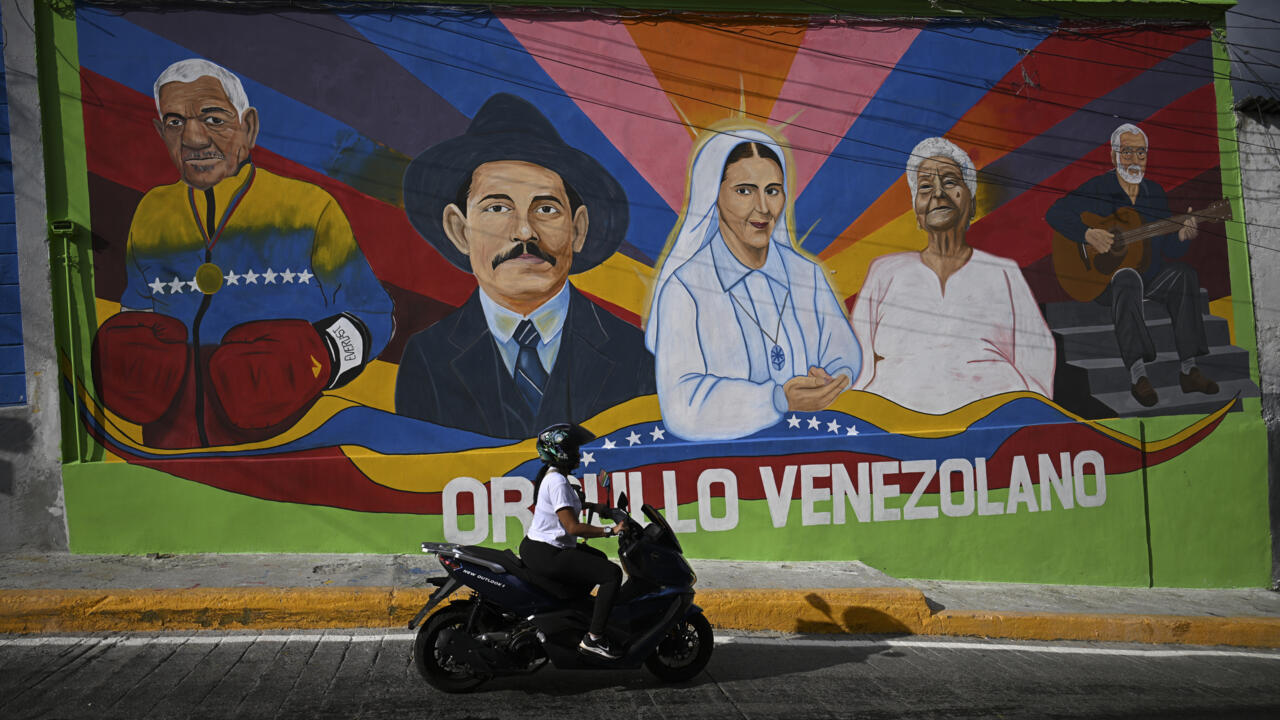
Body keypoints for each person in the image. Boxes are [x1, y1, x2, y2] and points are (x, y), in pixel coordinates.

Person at [91, 58, 393, 448]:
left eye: (213, 119)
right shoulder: (151, 211)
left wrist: (321, 357)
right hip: (170, 446)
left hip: (287, 442)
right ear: (159, 132)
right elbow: (139, 311)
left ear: (247, 127)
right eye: (174, 122)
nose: (193, 139)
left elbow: (374, 315)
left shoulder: (307, 208)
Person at [396, 93, 655, 439]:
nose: (524, 231)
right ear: (459, 230)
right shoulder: (428, 359)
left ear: (578, 230)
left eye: (546, 209)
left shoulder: (633, 356)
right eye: (497, 208)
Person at [646, 122, 861, 441]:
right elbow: (683, 407)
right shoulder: (685, 289)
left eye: (772, 191)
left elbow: (844, 354)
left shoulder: (807, 275)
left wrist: (832, 379)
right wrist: (778, 400)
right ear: (713, 196)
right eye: (744, 190)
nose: (763, 208)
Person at [851, 137, 1055, 414]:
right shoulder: (885, 272)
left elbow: (1036, 359)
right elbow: (858, 360)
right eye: (925, 187)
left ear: (970, 204)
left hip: (991, 425)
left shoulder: (1003, 273)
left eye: (949, 182)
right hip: (897, 429)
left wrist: (1031, 422)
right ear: (917, 214)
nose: (938, 193)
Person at [1045, 123, 1216, 407]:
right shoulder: (1099, 188)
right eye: (1127, 152)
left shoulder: (1155, 193)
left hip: (1148, 274)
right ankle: (1138, 376)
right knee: (1125, 276)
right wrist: (1087, 234)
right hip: (1105, 282)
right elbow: (1056, 213)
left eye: (1141, 153)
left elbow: (1169, 248)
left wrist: (1183, 236)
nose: (1134, 160)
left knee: (1184, 274)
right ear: (1113, 156)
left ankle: (1189, 370)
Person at [519, 423, 627, 660]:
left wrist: (599, 508)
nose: (578, 453)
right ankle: (594, 638)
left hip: (539, 548)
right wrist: (611, 530)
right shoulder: (556, 481)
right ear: (560, 451)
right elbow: (572, 527)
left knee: (596, 559)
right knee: (611, 575)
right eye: (573, 448)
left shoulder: (555, 477)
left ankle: (571, 620)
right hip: (549, 554)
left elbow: (565, 508)